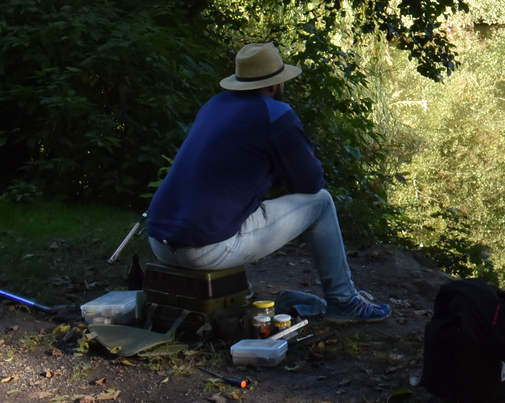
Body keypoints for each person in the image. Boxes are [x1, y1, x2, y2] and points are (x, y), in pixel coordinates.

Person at [146, 42, 390, 323]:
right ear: (276, 85)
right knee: (322, 202)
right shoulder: (276, 114)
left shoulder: (214, 105)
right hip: (204, 251)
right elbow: (311, 182)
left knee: (232, 204)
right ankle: (343, 301)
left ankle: (238, 290)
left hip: (160, 244)